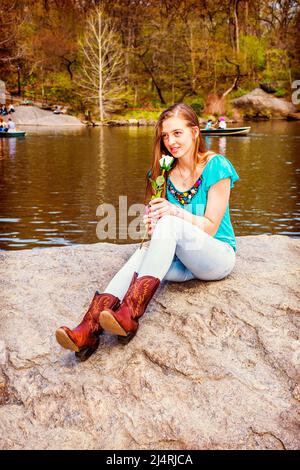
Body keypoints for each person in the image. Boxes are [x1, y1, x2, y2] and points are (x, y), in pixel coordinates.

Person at [55, 103, 239, 360]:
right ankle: (89, 328)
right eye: (165, 136)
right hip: (181, 264)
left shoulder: (216, 166)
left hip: (215, 257)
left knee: (169, 222)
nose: (170, 142)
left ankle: (130, 313)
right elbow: (159, 230)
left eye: (177, 133)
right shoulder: (162, 174)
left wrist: (173, 214)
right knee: (143, 252)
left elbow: (210, 226)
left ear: (195, 132)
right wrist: (152, 231)